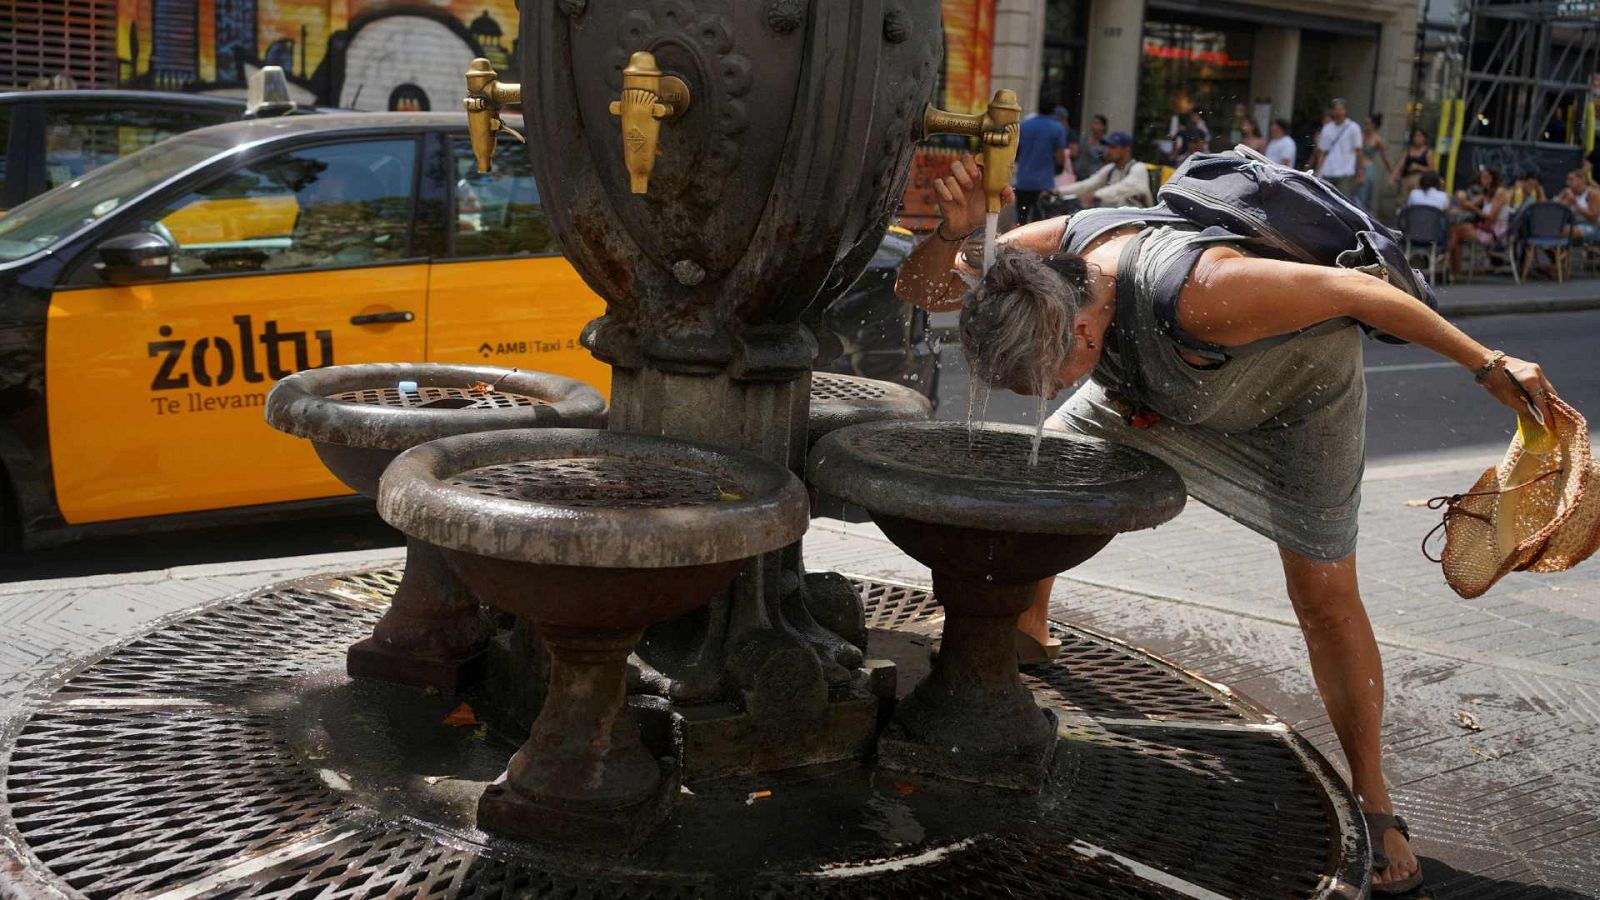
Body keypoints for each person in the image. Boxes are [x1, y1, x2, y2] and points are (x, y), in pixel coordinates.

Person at [898, 151, 1558, 896]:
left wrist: (1486, 363)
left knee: (1323, 597)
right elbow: (920, 291)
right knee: (1047, 470)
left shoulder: (1205, 292)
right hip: (1163, 386)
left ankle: (1374, 798)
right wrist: (951, 238)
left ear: (1082, 335)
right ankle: (1026, 628)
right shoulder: (1036, 269)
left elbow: (1360, 293)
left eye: (1042, 380)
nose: (1040, 393)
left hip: (1297, 401)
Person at [1057, 132, 1152, 209]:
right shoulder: (1110, 169)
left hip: (1139, 222)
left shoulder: (1138, 168)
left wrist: (1096, 195)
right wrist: (1058, 191)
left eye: (1113, 147)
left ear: (1127, 149)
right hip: (1116, 220)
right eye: (1108, 146)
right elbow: (1087, 184)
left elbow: (1124, 188)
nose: (1108, 150)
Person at [1447, 167, 1512, 280]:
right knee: (1455, 231)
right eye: (1482, 177)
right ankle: (1453, 271)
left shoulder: (1500, 192)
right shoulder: (1486, 193)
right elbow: (1469, 204)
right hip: (1486, 227)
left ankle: (1448, 264)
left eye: (1486, 177)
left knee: (1455, 232)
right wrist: (1461, 200)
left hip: (1495, 231)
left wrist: (1473, 208)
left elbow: (1491, 217)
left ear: (1493, 178)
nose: (1483, 180)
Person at [1012, 99, 1069, 225]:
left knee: (1021, 220)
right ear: (1053, 111)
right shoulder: (1057, 128)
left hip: (1023, 181)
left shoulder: (1024, 125)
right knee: (1039, 223)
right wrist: (1059, 168)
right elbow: (1060, 156)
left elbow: (1015, 151)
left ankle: (1018, 236)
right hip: (1044, 184)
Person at [1315, 98, 1364, 199]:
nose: (1338, 112)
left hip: (1345, 171)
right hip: (1328, 170)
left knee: (1342, 200)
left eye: (1341, 109)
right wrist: (1319, 169)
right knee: (1326, 199)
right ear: (1333, 111)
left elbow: (1358, 151)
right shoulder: (1327, 128)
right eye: (1336, 109)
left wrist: (1360, 171)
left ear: (1345, 111)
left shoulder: (1353, 128)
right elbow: (1322, 152)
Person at [1388, 128, 1436, 211]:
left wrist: (1418, 167)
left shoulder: (1428, 152)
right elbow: (1399, 165)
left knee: (1416, 201)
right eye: (1415, 136)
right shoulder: (1408, 151)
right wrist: (1392, 177)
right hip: (1407, 179)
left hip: (1419, 180)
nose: (1417, 138)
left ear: (1424, 138)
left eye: (1419, 136)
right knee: (1403, 201)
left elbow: (1431, 169)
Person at [1354, 114, 1391, 213]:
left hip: (1367, 167)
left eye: (1367, 124)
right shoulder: (1361, 136)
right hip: (1356, 167)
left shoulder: (1377, 140)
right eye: (1365, 124)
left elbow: (1385, 158)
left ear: (1373, 125)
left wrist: (1391, 172)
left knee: (1363, 196)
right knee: (1354, 195)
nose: (1365, 126)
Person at [1556, 167, 1600, 242]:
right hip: (1574, 225)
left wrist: (1575, 204)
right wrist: (1561, 198)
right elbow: (1557, 213)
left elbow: (1593, 217)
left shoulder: (1592, 193)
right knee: (1554, 228)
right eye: (1567, 180)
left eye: (1571, 180)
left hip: (1592, 227)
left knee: (1563, 231)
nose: (1567, 183)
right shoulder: (1569, 193)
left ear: (1582, 180)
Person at [1073, 114, 1109, 183]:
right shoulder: (1084, 139)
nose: (1094, 125)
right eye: (1093, 123)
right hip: (1080, 176)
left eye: (1097, 123)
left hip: (1094, 177)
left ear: (1103, 127)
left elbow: (1106, 161)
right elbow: (1077, 154)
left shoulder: (1104, 143)